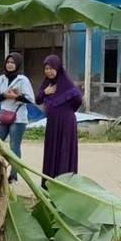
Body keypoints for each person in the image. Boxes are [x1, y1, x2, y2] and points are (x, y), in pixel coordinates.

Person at [36, 55, 83, 186]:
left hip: (66, 122)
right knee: (52, 150)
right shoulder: (47, 84)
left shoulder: (66, 83)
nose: (48, 71)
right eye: (46, 68)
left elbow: (78, 99)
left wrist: (66, 111)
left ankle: (65, 183)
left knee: (64, 150)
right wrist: (45, 92)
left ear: (57, 68)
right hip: (52, 123)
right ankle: (49, 184)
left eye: (51, 68)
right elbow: (38, 99)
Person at [0, 52, 35, 182]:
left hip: (18, 117)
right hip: (4, 115)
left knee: (14, 145)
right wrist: (5, 95)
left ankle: (14, 175)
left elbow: (30, 99)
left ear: (18, 64)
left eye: (13, 63)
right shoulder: (1, 78)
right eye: (8, 62)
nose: (10, 65)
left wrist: (16, 97)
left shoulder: (23, 80)